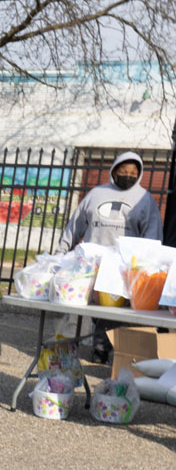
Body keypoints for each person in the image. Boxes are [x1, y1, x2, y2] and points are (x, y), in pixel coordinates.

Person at [55, 152, 163, 362]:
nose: (127, 175)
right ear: (114, 170)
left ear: (139, 174)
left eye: (133, 172)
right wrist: (62, 251)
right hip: (89, 264)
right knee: (77, 307)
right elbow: (75, 224)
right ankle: (67, 349)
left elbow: (151, 233)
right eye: (123, 171)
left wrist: (148, 263)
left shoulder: (145, 200)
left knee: (110, 310)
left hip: (120, 266)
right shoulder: (96, 194)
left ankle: (101, 349)